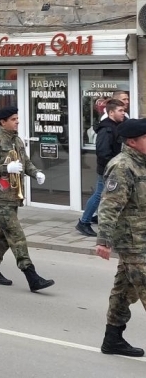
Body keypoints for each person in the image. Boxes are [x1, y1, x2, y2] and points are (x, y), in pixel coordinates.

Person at [0, 106, 54, 291]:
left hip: (13, 195)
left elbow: (25, 162)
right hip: (0, 196)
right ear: (3, 122)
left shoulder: (17, 140)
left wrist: (36, 173)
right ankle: (31, 275)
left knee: (2, 235)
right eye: (13, 119)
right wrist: (6, 169)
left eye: (17, 118)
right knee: (15, 234)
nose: (17, 121)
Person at [95, 118, 146, 357]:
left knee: (123, 291)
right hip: (134, 243)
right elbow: (109, 205)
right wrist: (103, 240)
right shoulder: (123, 166)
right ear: (133, 142)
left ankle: (112, 339)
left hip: (142, 239)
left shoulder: (142, 162)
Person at [77, 99, 127, 237]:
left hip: (112, 168)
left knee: (104, 195)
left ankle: (95, 218)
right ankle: (84, 222)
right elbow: (103, 152)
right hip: (107, 169)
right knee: (99, 195)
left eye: (124, 110)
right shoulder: (107, 129)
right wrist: (113, 167)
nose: (124, 113)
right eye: (120, 111)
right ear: (111, 112)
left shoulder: (116, 126)